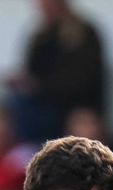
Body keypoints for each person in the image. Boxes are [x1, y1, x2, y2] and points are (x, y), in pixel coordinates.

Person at [8, 0, 107, 143]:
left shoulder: (82, 34)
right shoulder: (40, 35)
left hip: (72, 105)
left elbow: (81, 80)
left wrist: (40, 86)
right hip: (43, 102)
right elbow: (31, 69)